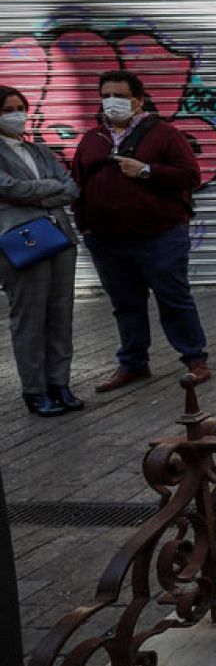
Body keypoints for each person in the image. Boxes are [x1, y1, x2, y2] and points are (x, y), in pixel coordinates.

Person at [71, 70, 210, 393]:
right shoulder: (93, 139)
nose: (112, 102)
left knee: (173, 298)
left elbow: (190, 176)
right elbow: (78, 183)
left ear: (138, 100)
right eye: (106, 95)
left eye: (120, 95)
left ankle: (195, 359)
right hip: (107, 239)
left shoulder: (163, 134)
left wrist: (147, 170)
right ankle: (133, 363)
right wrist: (86, 226)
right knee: (125, 303)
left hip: (159, 234)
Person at [0, 85, 83, 417]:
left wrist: (34, 194)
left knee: (60, 314)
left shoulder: (38, 150)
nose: (17, 113)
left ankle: (59, 383)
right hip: (21, 239)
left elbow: (72, 187)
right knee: (29, 317)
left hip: (59, 236)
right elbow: (8, 187)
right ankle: (34, 390)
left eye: (20, 106)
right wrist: (48, 189)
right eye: (8, 109)